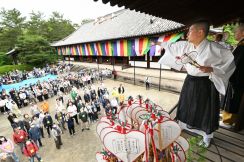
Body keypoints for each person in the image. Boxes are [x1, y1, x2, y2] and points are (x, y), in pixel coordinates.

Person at [158, 20, 235, 147]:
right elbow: (171, 47)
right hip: (190, 81)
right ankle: (182, 125)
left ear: (200, 32)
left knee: (205, 110)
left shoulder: (214, 48)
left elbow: (229, 63)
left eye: (190, 31)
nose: (187, 34)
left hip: (206, 84)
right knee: (187, 105)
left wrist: (212, 69)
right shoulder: (186, 46)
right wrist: (157, 43)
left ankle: (207, 137)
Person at [221, 23, 244, 131]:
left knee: (233, 99)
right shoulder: (240, 45)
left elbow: (235, 64)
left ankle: (228, 121)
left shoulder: (242, 47)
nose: (234, 33)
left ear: (243, 33)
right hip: (239, 78)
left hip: (237, 79)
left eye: (236, 31)